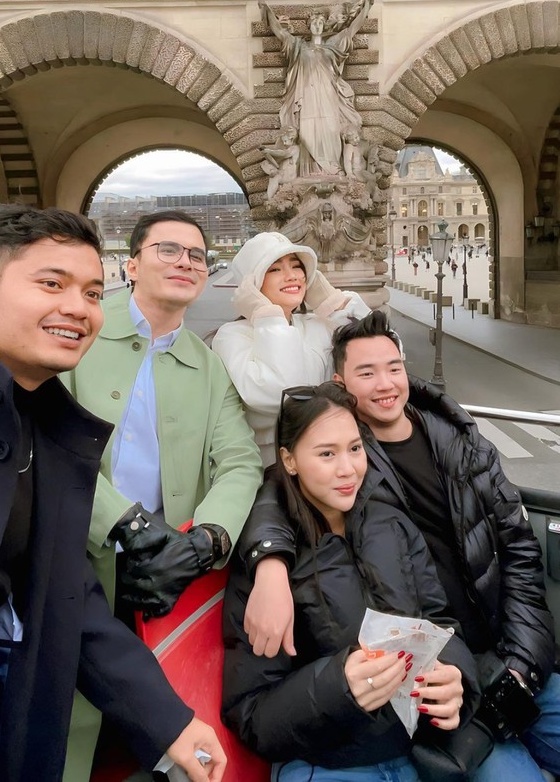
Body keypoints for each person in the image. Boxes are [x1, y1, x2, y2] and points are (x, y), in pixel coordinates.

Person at [0, 206, 225, 782]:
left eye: (90, 291)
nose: (77, 308)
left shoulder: (53, 431)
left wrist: (171, 722)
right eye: (51, 284)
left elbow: (66, 598)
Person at [239, 310, 560, 781]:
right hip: (438, 669)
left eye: (393, 367)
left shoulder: (461, 437)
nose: (385, 383)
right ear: (341, 384)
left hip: (503, 653)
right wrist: (267, 559)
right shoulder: (351, 455)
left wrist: (522, 663)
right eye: (366, 373)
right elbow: (281, 487)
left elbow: (518, 550)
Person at [62, 209, 263, 781]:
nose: (186, 263)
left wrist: (205, 540)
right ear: (131, 265)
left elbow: (241, 461)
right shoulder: (82, 333)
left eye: (197, 256)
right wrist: (123, 522)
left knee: (167, 722)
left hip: (163, 575)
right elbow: (48, 440)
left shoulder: (208, 365)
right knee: (70, 723)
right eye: (169, 250)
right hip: (75, 559)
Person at [222, 382, 480, 782]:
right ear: (289, 461)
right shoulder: (268, 564)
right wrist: (338, 686)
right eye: (327, 454)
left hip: (422, 745)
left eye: (355, 448)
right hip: (328, 760)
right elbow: (252, 713)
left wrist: (455, 676)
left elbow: (440, 622)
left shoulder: (390, 524)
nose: (348, 469)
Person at [211, 232, 370, 468]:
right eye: (275, 269)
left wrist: (333, 303)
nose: (292, 276)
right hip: (271, 468)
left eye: (297, 267)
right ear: (251, 285)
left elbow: (379, 354)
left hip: (333, 463)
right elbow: (282, 393)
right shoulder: (232, 336)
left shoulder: (318, 325)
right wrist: (268, 317)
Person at [257, 0, 373, 177]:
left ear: (324, 25)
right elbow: (279, 31)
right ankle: (310, 172)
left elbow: (351, 30)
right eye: (314, 23)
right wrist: (263, 4)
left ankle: (334, 170)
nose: (317, 25)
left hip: (328, 97)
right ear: (309, 26)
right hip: (307, 97)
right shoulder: (299, 47)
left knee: (331, 132)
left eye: (320, 23)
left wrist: (367, 8)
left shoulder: (332, 48)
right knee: (307, 134)